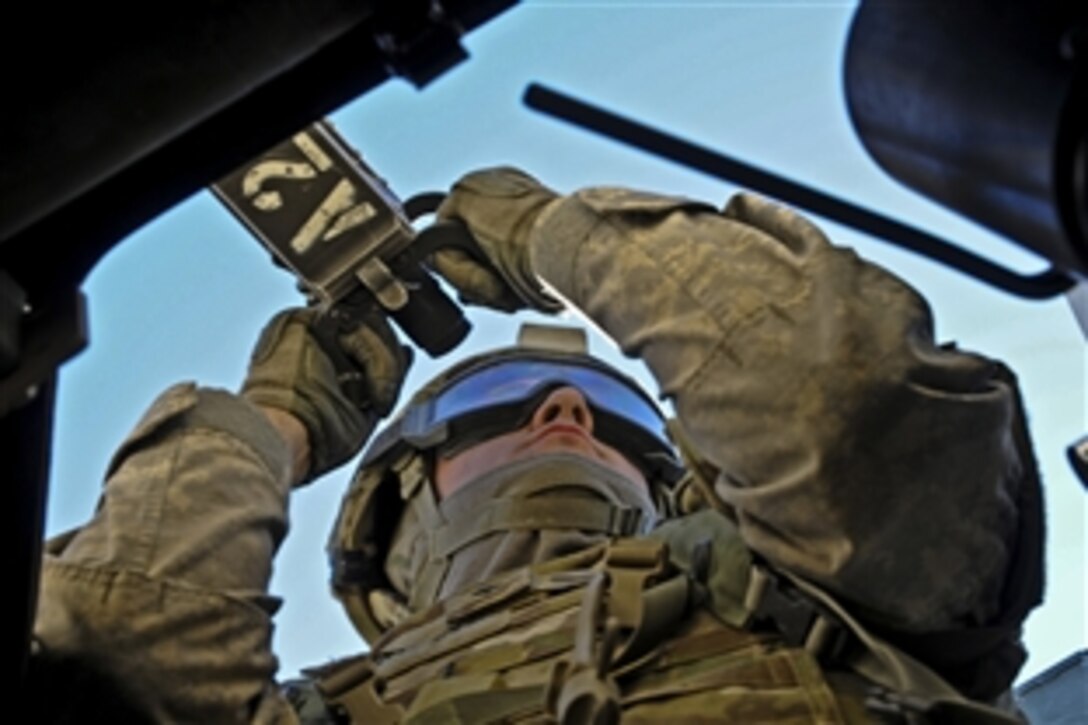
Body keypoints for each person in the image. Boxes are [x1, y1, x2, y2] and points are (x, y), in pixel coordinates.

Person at [32, 167, 1045, 723]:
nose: (565, 406)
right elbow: (107, 654)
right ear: (392, 506)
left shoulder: (831, 594)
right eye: (504, 400)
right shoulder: (299, 715)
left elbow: (839, 398)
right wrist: (269, 425)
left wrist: (549, 239)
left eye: (622, 421)